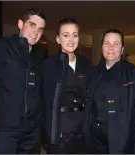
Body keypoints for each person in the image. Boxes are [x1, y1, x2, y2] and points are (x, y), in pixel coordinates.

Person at [82, 29, 135, 153]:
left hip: (123, 143)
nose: (111, 48)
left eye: (116, 44)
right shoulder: (92, 73)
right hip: (95, 141)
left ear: (122, 49)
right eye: (107, 43)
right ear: (102, 46)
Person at [0, 8, 46, 153]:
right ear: (20, 24)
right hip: (5, 130)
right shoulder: (0, 47)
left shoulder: (39, 55)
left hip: (32, 132)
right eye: (32, 25)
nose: (36, 31)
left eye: (40, 29)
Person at [41, 18, 91, 153]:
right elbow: (43, 100)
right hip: (60, 125)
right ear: (58, 39)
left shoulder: (86, 63)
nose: (71, 39)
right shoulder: (48, 64)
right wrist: (52, 129)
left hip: (81, 125)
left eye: (75, 35)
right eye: (66, 35)